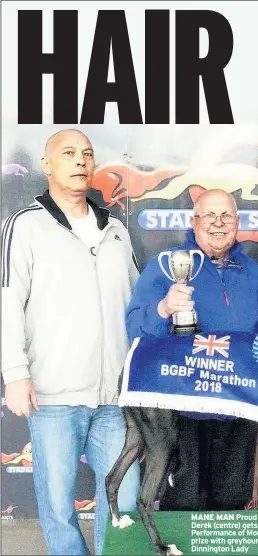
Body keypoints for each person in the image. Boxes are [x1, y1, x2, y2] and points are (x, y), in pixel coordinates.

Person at [1, 129, 140, 555]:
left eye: (87, 153)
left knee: (126, 498)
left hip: (115, 398)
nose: (80, 160)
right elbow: (8, 302)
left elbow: (138, 301)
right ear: (47, 165)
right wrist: (14, 373)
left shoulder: (116, 228)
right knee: (59, 507)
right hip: (53, 395)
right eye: (68, 153)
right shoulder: (25, 226)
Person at [126, 188, 258, 510]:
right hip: (182, 407)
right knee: (183, 499)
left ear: (237, 222)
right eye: (209, 215)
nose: (218, 223)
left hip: (238, 406)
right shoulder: (166, 266)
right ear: (194, 222)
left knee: (230, 500)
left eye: (226, 215)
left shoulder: (253, 273)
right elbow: (134, 327)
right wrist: (164, 309)